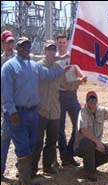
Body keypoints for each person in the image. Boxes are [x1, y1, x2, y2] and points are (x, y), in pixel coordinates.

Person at [1, 37, 68, 185]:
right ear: (18, 47)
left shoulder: (33, 66)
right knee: (23, 146)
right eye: (22, 46)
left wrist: (63, 70)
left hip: (33, 112)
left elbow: (48, 75)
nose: (26, 48)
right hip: (18, 113)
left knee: (31, 145)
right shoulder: (9, 67)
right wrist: (12, 112)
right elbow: (6, 92)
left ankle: (25, 179)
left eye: (28, 46)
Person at [31, 40, 87, 176]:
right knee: (37, 141)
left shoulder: (58, 68)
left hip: (54, 110)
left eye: (52, 49)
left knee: (51, 140)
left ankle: (47, 165)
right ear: (44, 50)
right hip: (41, 109)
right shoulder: (37, 67)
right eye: (48, 49)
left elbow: (66, 86)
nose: (50, 52)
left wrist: (79, 82)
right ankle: (32, 168)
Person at [74, 89, 108, 181]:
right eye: (90, 99)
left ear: (97, 101)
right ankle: (89, 172)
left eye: (94, 99)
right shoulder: (82, 113)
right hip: (82, 146)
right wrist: (97, 142)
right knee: (89, 143)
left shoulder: (101, 111)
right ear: (86, 101)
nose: (92, 101)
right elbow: (83, 130)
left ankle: (88, 165)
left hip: (96, 146)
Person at [56, 33, 83, 167]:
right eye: (59, 42)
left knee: (79, 123)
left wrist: (83, 76)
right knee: (60, 127)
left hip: (72, 96)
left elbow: (78, 72)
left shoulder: (72, 58)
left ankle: (69, 153)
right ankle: (64, 156)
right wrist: (79, 81)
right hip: (59, 96)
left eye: (63, 42)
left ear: (67, 43)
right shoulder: (54, 59)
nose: (61, 44)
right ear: (57, 44)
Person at [1, 30, 16, 180]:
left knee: (21, 138)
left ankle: (21, 168)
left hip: (20, 104)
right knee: (5, 138)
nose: (10, 45)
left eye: (11, 42)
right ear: (2, 43)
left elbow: (39, 58)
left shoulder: (21, 57)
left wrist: (62, 57)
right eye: (7, 42)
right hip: (7, 106)